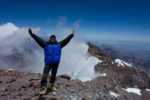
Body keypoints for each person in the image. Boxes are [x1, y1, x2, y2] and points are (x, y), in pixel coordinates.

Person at [28, 28, 75, 95]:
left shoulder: (59, 45)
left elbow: (66, 40)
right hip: (48, 63)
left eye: (53, 38)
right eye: (51, 38)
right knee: (45, 75)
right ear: (50, 39)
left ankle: (51, 86)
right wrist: (32, 34)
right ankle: (43, 88)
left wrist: (71, 35)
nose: (52, 39)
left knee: (53, 75)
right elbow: (38, 39)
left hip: (56, 63)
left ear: (55, 39)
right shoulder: (45, 44)